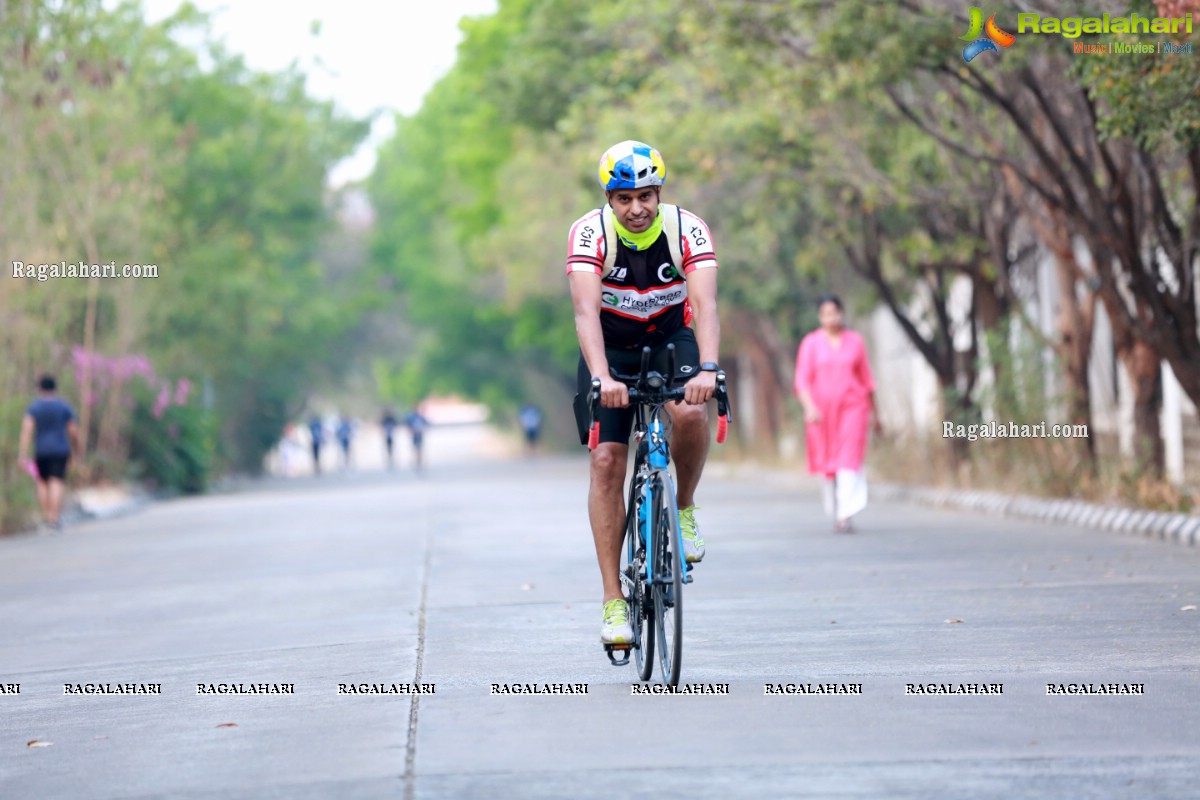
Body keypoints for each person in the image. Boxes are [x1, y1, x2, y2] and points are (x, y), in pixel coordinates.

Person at [567, 140, 721, 646]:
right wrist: (602, 377)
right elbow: (586, 312)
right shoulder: (589, 234)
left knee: (694, 413)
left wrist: (709, 367)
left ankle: (685, 506)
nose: (637, 209)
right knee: (608, 461)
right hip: (609, 348)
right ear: (609, 200)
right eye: (624, 199)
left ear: (660, 193)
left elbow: (705, 302)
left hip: (668, 338)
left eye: (646, 196)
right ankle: (614, 600)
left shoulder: (686, 228)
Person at [794, 293, 882, 533]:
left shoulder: (855, 341)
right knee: (829, 465)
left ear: (842, 314)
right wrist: (810, 407)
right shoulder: (811, 343)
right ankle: (838, 509)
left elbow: (867, 381)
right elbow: (802, 381)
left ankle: (845, 514)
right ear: (820, 317)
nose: (831, 318)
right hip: (822, 415)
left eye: (835, 312)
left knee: (849, 460)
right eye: (826, 314)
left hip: (854, 408)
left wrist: (877, 416)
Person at [17, 374, 80, 532]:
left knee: (42, 483)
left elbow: (27, 430)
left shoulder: (34, 407)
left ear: (39, 388)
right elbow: (73, 430)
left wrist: (23, 453)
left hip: (41, 450)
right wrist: (77, 448)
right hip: (60, 450)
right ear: (54, 388)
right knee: (56, 482)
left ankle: (47, 518)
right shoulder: (64, 406)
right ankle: (54, 519)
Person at [404, 407, 429, 474]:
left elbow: (426, 423)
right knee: (416, 450)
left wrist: (422, 429)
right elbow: (408, 425)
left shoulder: (420, 417)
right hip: (414, 436)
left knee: (419, 450)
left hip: (419, 435)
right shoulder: (411, 418)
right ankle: (417, 462)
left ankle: (419, 463)